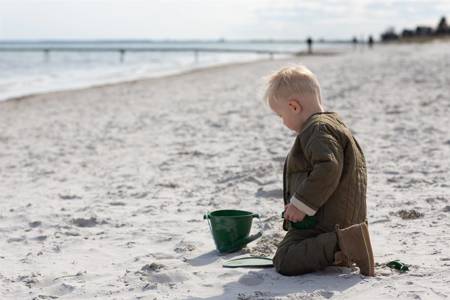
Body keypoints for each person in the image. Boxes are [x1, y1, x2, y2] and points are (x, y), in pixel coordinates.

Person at [263, 65, 375, 276]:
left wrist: (301, 204)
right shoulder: (330, 125)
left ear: (294, 107)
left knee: (284, 259)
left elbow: (328, 167)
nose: (282, 122)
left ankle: (344, 243)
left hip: (328, 222)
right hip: (334, 216)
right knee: (287, 249)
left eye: (281, 116)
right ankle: (343, 246)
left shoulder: (317, 130)